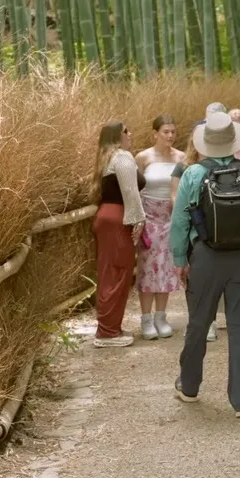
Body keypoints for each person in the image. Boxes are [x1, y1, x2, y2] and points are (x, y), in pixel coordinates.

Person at [170, 111, 240, 416]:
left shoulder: (192, 174)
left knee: (198, 324)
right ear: (234, 142)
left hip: (205, 256)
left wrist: (180, 260)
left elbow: (179, 222)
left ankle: (189, 386)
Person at [92, 120, 143, 348]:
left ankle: (110, 327)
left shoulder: (105, 159)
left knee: (109, 271)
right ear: (117, 136)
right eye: (126, 130)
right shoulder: (122, 157)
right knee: (118, 273)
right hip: (118, 218)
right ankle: (108, 332)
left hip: (106, 216)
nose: (130, 133)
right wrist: (138, 220)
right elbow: (130, 192)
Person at [135, 116, 185, 339]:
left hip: (170, 217)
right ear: (155, 133)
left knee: (166, 265)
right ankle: (146, 318)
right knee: (147, 267)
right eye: (165, 131)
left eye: (173, 131)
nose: (170, 136)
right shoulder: (143, 157)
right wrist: (138, 220)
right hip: (148, 217)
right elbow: (134, 189)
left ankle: (161, 316)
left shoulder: (181, 157)